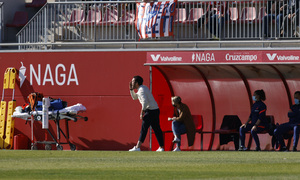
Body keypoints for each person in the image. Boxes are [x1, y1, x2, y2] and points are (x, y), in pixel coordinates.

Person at [128, 75, 164, 152]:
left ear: (137, 83)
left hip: (150, 111)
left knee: (144, 129)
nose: (132, 82)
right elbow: (135, 97)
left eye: (133, 81)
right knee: (156, 129)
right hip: (155, 110)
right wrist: (131, 89)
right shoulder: (142, 88)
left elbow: (145, 102)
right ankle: (161, 147)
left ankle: (137, 147)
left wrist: (142, 112)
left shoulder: (141, 90)